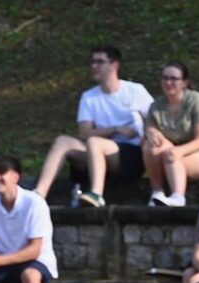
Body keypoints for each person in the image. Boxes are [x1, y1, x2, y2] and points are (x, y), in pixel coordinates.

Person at [31, 44, 154, 207]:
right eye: (92, 62)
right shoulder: (89, 97)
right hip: (98, 151)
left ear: (114, 65)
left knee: (94, 142)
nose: (94, 66)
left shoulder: (135, 91)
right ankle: (39, 194)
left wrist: (146, 134)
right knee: (64, 141)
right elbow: (84, 132)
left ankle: (96, 194)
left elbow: (154, 118)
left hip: (130, 155)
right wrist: (115, 129)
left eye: (100, 62)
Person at [142, 61, 199, 207]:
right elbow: (149, 128)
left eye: (173, 79)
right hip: (169, 154)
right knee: (150, 147)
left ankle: (178, 197)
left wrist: (178, 151)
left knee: (172, 157)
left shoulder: (197, 101)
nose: (168, 82)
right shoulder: (156, 105)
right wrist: (151, 132)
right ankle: (157, 193)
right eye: (165, 78)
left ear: (184, 82)